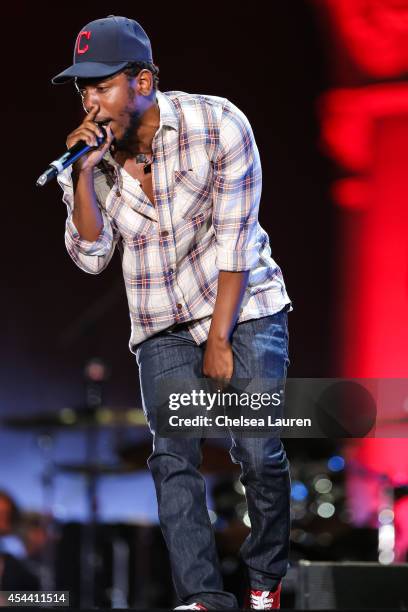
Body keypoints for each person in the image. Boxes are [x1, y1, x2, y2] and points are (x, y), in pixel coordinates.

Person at [51, 15, 293, 610]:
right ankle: (205, 598)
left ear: (143, 80)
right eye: (83, 88)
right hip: (160, 321)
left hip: (246, 305)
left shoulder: (219, 124)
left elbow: (237, 239)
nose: (90, 100)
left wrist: (219, 339)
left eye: (101, 84)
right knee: (172, 456)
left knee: (259, 450)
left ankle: (265, 581)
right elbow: (90, 256)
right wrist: (82, 177)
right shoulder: (95, 160)